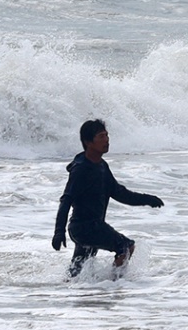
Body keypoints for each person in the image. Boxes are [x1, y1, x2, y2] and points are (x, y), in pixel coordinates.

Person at [52, 119, 164, 277]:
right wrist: (58, 232)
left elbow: (119, 193)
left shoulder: (101, 166)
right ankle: (113, 285)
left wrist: (147, 199)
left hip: (89, 228)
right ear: (88, 142)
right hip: (86, 227)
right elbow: (66, 201)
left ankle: (72, 295)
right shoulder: (81, 169)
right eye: (101, 136)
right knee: (126, 247)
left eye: (107, 135)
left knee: (76, 273)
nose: (107, 140)